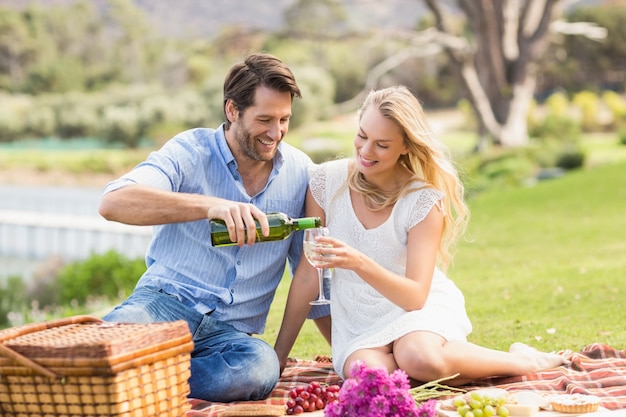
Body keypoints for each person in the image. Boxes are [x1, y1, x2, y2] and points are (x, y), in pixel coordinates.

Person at [274, 85, 567, 384]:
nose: (365, 150)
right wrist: (279, 357)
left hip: (416, 310)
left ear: (406, 146)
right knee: (368, 378)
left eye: (382, 144)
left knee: (420, 359)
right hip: (359, 321)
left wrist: (357, 261)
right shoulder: (325, 182)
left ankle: (522, 360)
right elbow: (308, 277)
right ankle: (429, 366)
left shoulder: (423, 201)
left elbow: (415, 296)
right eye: (362, 135)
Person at [98, 52, 330, 402]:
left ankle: (138, 378)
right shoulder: (188, 152)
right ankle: (135, 372)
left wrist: (323, 356)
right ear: (232, 110)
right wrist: (210, 206)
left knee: (259, 369)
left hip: (231, 335)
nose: (275, 132)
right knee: (106, 344)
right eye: (264, 119)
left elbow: (309, 273)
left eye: (284, 119)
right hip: (163, 305)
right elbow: (113, 202)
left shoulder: (302, 173)